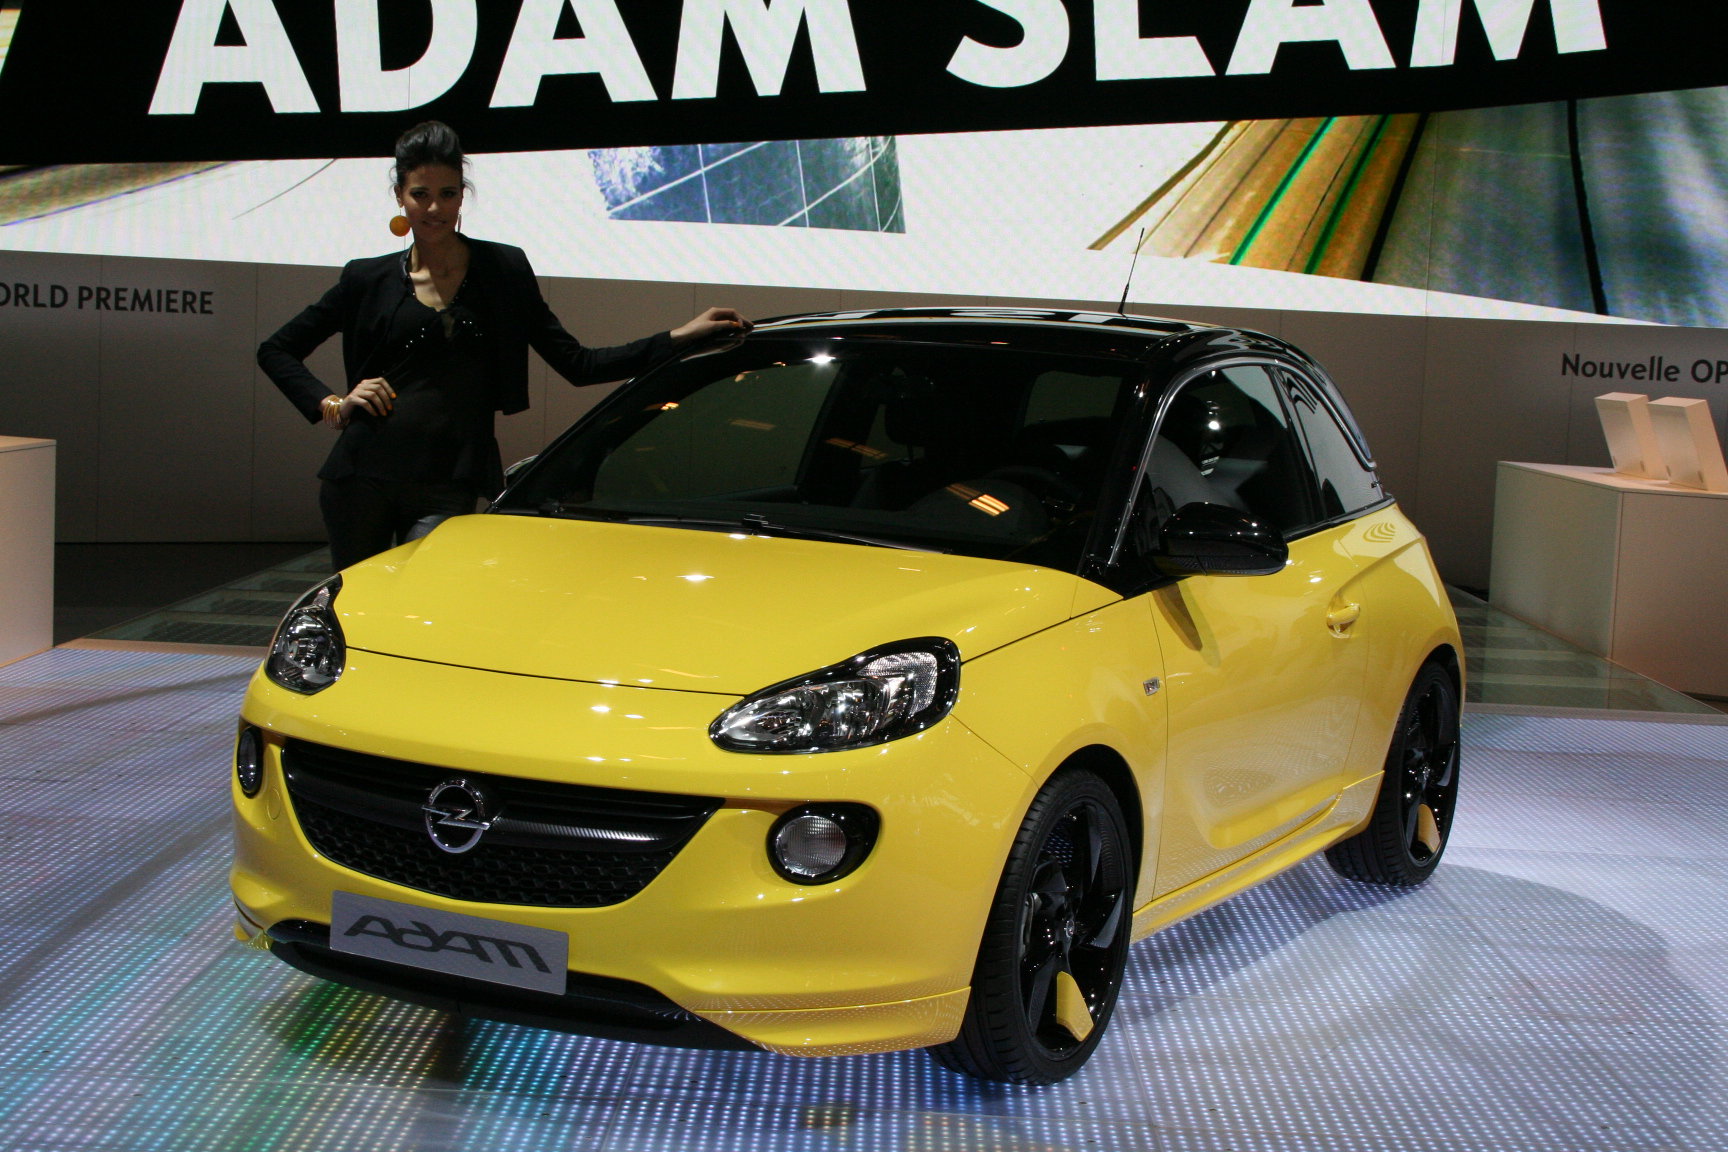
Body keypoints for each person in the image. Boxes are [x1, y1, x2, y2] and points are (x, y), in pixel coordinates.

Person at [258, 120, 750, 571]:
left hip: (449, 482)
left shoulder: (504, 270)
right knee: (355, 610)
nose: (434, 208)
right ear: (400, 198)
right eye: (420, 194)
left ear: (462, 197)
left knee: (427, 603)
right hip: (361, 477)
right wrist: (333, 404)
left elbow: (578, 363)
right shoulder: (366, 278)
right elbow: (276, 350)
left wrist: (679, 337)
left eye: (447, 194)